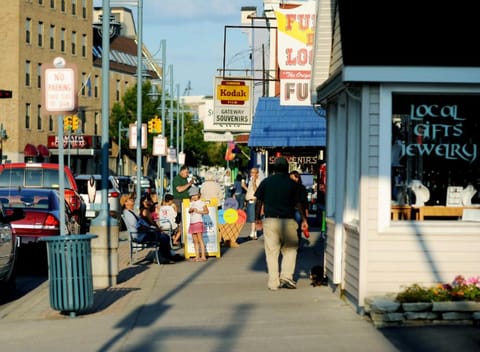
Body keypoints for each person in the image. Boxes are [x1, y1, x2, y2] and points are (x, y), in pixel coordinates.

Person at [254, 157, 308, 290]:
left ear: (274, 168)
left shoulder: (266, 182)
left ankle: (273, 282)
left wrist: (257, 219)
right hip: (288, 220)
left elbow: (259, 201)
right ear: (286, 168)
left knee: (272, 252)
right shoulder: (292, 184)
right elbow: (298, 203)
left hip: (270, 220)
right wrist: (304, 219)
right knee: (290, 250)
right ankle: (286, 277)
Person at [121, 193, 182, 264]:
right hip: (140, 235)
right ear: (125, 202)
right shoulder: (128, 214)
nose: (133, 201)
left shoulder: (131, 212)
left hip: (143, 233)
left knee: (165, 236)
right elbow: (138, 226)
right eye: (131, 200)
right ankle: (162, 257)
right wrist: (150, 229)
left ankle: (166, 255)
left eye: (133, 199)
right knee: (164, 237)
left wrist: (151, 228)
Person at [187, 186, 208, 262]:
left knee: (200, 239)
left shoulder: (202, 202)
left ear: (198, 194)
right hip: (192, 223)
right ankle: (197, 256)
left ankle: (203, 256)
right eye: (192, 196)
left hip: (198, 222)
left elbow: (206, 211)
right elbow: (189, 212)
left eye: (195, 195)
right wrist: (190, 210)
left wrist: (198, 211)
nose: (193, 197)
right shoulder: (191, 203)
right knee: (195, 240)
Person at [289, 170, 309, 242]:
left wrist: (306, 210)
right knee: (295, 227)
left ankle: (296, 241)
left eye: (293, 177)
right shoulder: (300, 187)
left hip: (298, 209)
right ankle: (296, 241)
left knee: (296, 227)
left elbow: (304, 200)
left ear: (297, 178)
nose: (291, 179)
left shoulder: (301, 187)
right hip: (293, 209)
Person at [245, 167, 263, 240]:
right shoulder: (250, 181)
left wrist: (254, 182)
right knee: (251, 218)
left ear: (257, 174)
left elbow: (257, 191)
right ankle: (254, 233)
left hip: (254, 201)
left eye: (253, 172)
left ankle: (252, 233)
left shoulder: (257, 181)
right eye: (251, 172)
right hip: (249, 200)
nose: (251, 174)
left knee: (253, 218)